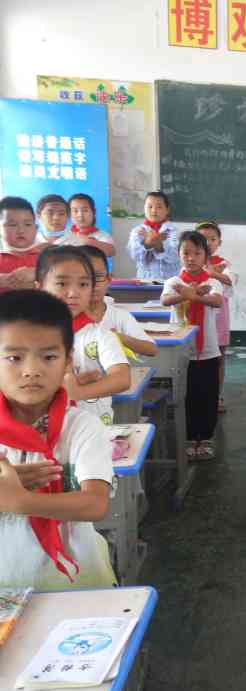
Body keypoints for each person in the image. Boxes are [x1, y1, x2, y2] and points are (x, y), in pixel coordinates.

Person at [0, 289, 117, 589]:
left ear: (67, 362)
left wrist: (21, 500)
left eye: (49, 357)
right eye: (14, 357)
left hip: (76, 582)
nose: (31, 371)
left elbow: (95, 503)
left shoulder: (81, 426)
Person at [35, 247, 130, 426]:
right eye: (62, 284)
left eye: (83, 285)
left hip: (92, 431)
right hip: (41, 432)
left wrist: (77, 393)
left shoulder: (99, 335)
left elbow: (121, 378)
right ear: (39, 287)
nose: (73, 293)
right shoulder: (26, 336)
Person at [161, 231, 224, 460]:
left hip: (207, 351)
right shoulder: (174, 282)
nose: (191, 258)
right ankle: (188, 438)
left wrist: (193, 295)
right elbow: (165, 300)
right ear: (178, 255)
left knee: (207, 395)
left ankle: (205, 438)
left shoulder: (212, 281)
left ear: (205, 256)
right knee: (185, 396)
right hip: (181, 351)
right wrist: (189, 293)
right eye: (186, 253)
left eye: (197, 253)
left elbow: (217, 300)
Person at [79, 246, 158, 358]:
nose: (93, 284)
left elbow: (152, 349)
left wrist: (118, 337)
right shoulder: (65, 318)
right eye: (84, 279)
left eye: (98, 277)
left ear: (108, 279)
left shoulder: (120, 316)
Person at [195, 222, 236, 413]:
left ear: (219, 242)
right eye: (203, 239)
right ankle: (195, 394)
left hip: (219, 316)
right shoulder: (190, 262)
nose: (208, 243)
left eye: (213, 239)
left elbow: (230, 280)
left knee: (218, 356)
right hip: (197, 314)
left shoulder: (223, 263)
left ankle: (216, 396)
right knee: (196, 357)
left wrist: (213, 273)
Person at [126, 191, 181, 280]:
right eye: (150, 206)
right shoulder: (137, 231)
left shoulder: (173, 231)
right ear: (144, 208)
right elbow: (135, 255)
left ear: (167, 210)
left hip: (170, 281)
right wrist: (148, 243)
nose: (154, 210)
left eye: (159, 207)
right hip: (145, 280)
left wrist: (156, 243)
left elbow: (175, 256)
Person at [0, 196, 42, 293]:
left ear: (36, 228)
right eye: (12, 225)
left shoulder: (48, 257)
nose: (21, 230)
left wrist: (38, 274)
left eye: (27, 224)